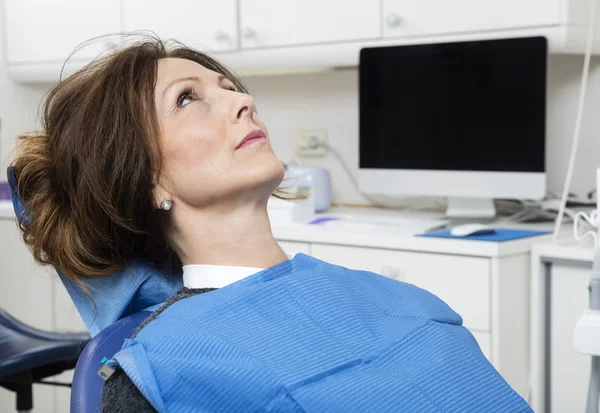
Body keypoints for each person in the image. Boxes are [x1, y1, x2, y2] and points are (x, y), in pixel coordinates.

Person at [9, 36, 532, 412]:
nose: (243, 100)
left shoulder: (400, 299)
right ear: (145, 180)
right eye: (187, 99)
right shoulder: (157, 372)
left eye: (229, 87)